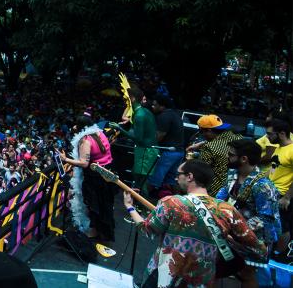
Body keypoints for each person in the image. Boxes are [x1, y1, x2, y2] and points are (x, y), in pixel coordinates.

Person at [123, 160, 266, 287]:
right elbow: (257, 247)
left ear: (190, 176)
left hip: (165, 276)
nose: (175, 177)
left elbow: (147, 229)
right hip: (202, 280)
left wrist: (130, 207)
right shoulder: (226, 209)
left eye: (178, 174)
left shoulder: (171, 202)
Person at [216, 139, 279, 286]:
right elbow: (221, 198)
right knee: (216, 268)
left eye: (231, 155)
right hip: (233, 232)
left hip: (255, 237)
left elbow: (265, 217)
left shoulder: (263, 186)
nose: (227, 156)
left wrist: (237, 229)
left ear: (244, 159)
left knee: (246, 273)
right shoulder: (233, 173)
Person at [59, 113, 116, 241]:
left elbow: (84, 163)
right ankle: (100, 230)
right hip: (105, 173)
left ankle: (94, 232)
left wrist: (65, 159)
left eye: (76, 125)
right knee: (102, 203)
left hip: (95, 176)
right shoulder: (99, 133)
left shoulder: (85, 140)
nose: (74, 126)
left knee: (93, 203)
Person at [187, 114, 243, 196]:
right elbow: (221, 143)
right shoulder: (238, 138)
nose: (202, 135)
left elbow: (200, 171)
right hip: (234, 188)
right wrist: (201, 144)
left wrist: (190, 160)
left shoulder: (209, 148)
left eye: (201, 131)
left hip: (214, 191)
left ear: (209, 131)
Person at [111, 87, 158, 185]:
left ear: (132, 99)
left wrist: (119, 128)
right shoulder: (145, 111)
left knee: (140, 183)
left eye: (126, 99)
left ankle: (141, 200)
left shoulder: (139, 115)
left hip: (145, 151)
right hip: (148, 150)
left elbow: (138, 138)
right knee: (137, 178)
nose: (124, 101)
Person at [147, 94, 185, 196]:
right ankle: (178, 200)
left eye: (155, 105)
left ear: (162, 106)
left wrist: (146, 142)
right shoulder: (174, 114)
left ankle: (142, 199)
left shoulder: (164, 116)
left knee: (155, 177)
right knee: (171, 179)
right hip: (179, 151)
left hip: (168, 152)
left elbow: (159, 136)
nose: (152, 107)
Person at [267, 119, 293, 256]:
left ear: (282, 133)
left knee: (283, 227)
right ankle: (271, 252)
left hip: (282, 195)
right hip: (271, 192)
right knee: (272, 224)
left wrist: (287, 197)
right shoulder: (279, 148)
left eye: (270, 134)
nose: (267, 137)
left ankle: (278, 255)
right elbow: (273, 169)